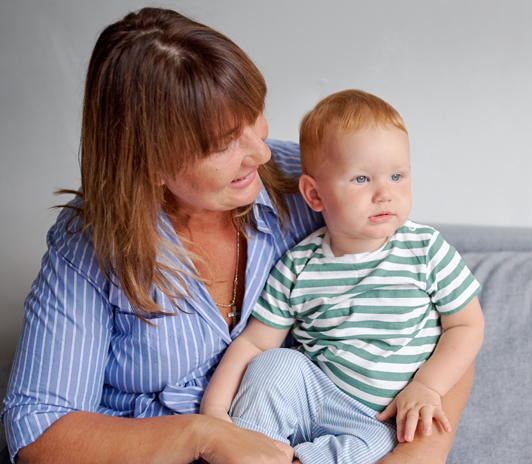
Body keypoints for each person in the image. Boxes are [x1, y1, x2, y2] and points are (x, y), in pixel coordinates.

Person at [0, 9, 476, 464]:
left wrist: (419, 452)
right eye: (223, 143)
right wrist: (204, 434)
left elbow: (435, 319)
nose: (261, 151)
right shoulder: (89, 239)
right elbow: (38, 435)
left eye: (255, 114)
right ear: (149, 161)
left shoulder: (310, 182)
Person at [201, 90, 485, 464]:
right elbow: (255, 344)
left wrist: (427, 386)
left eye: (397, 175)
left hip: (378, 417)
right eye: (362, 179)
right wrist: (214, 416)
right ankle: (254, 449)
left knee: (382, 445)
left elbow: (466, 325)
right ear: (314, 194)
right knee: (275, 366)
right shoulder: (299, 263)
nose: (385, 193)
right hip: (315, 394)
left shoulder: (425, 249)